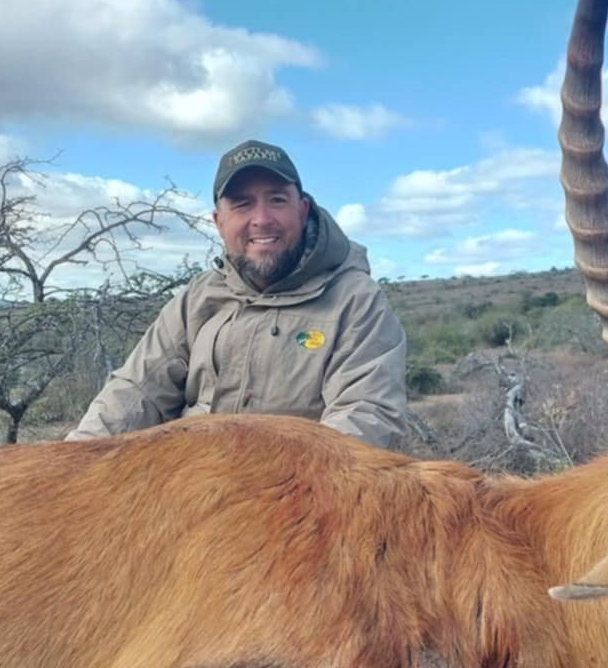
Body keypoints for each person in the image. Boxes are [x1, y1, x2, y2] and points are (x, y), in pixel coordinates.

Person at [66, 139, 407, 448]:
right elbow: (136, 391)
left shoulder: (355, 299)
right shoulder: (197, 297)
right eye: (242, 205)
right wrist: (72, 461)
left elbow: (366, 414)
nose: (261, 219)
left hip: (297, 497)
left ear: (302, 211)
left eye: (276, 200)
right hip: (184, 488)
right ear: (219, 221)